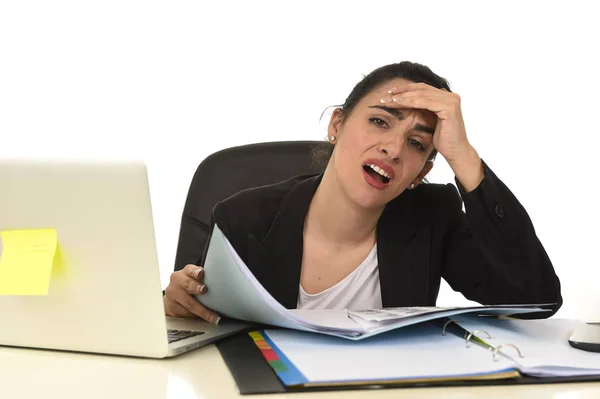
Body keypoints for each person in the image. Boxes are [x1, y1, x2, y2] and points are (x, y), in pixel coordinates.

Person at [163, 61, 562, 324]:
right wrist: (172, 302)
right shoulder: (243, 218)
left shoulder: (432, 218)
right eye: (379, 121)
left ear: (421, 173)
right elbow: (191, 317)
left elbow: (535, 299)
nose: (393, 148)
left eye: (418, 144)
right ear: (337, 124)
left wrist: (463, 156)